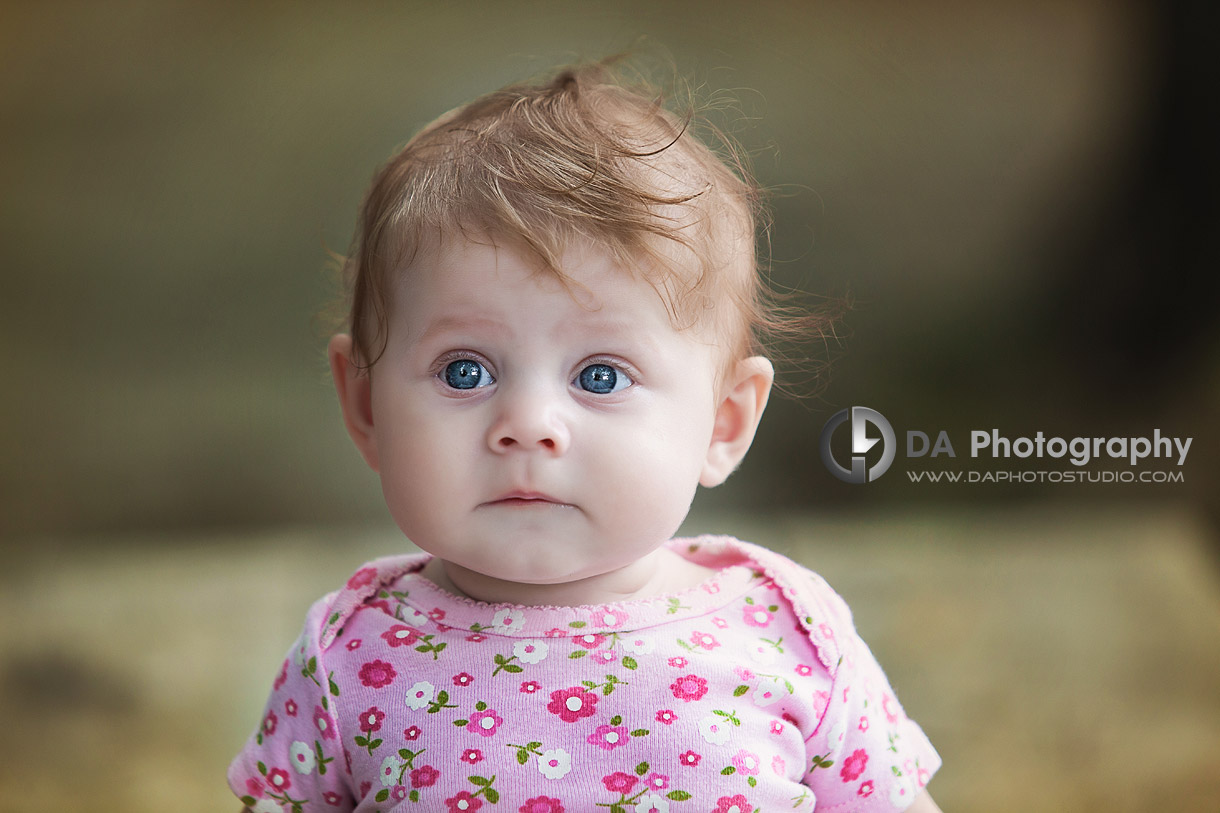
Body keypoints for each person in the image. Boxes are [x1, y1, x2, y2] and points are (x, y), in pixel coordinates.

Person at [229, 60, 942, 813]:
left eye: (600, 376)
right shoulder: (348, 660)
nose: (529, 424)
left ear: (724, 422)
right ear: (366, 406)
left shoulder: (786, 635)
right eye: (465, 371)